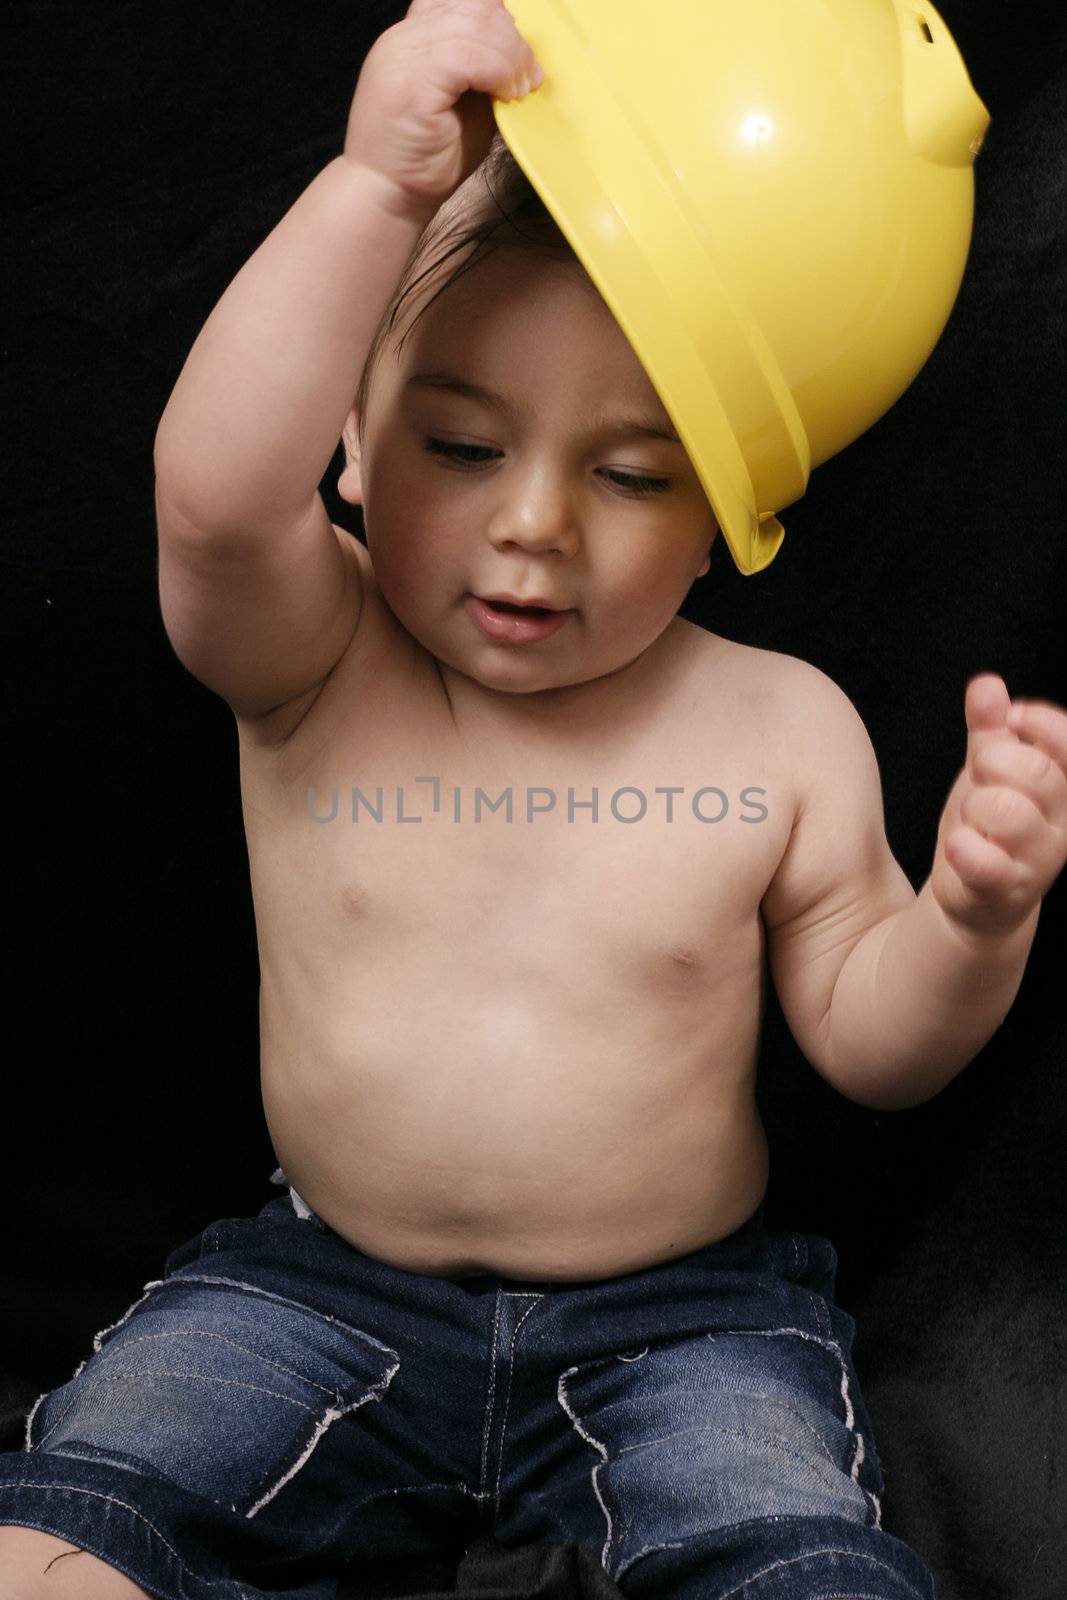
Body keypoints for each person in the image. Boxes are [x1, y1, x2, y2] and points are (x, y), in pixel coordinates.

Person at [1, 2, 1064, 1596]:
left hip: (686, 1320)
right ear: (348, 443)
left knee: (798, 1562)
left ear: (726, 515)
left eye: (634, 475)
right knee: (78, 1518)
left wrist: (974, 919)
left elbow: (873, 1040)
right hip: (314, 1288)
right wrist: (377, 187)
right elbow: (215, 503)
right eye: (460, 443)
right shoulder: (321, 657)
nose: (535, 526)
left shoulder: (781, 730)